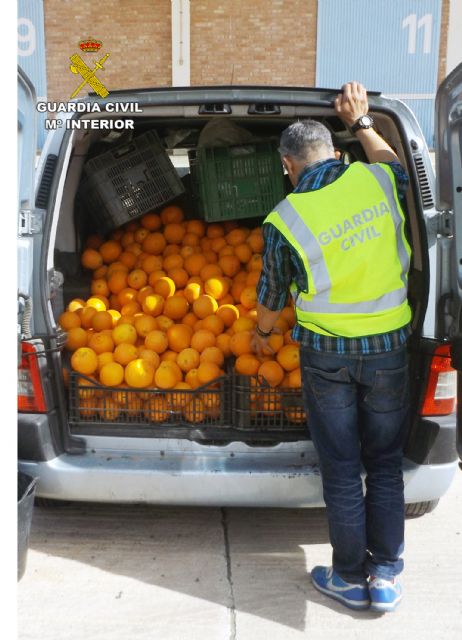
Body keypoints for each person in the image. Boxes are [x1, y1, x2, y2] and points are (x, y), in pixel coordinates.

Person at [253, 81, 411, 613]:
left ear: (286, 164)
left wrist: (262, 335)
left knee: (342, 466)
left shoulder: (285, 218)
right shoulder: (378, 181)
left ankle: (347, 577)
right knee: (385, 462)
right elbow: (396, 163)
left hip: (327, 359)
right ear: (336, 153)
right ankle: (385, 575)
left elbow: (272, 298)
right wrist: (363, 121)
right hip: (390, 348)